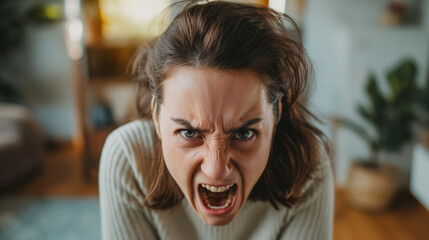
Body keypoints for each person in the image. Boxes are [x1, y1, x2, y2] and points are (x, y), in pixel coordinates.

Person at [99, 1, 334, 239]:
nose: (216, 170)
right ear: (157, 119)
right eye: (189, 133)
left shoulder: (306, 164)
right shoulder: (128, 157)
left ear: (276, 116)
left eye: (244, 134)